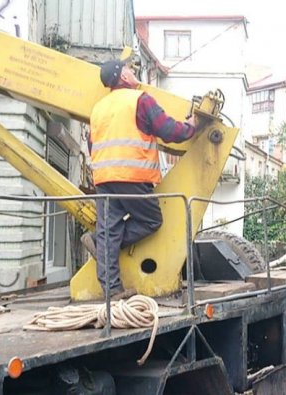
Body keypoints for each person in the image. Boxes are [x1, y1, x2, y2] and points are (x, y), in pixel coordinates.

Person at [82, 59, 196, 300]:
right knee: (151, 220)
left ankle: (112, 290)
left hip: (104, 179)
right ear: (122, 77)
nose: (133, 71)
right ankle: (97, 241)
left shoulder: (98, 108)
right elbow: (167, 130)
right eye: (129, 69)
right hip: (133, 176)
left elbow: (93, 144)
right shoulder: (139, 99)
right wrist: (191, 126)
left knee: (108, 231)